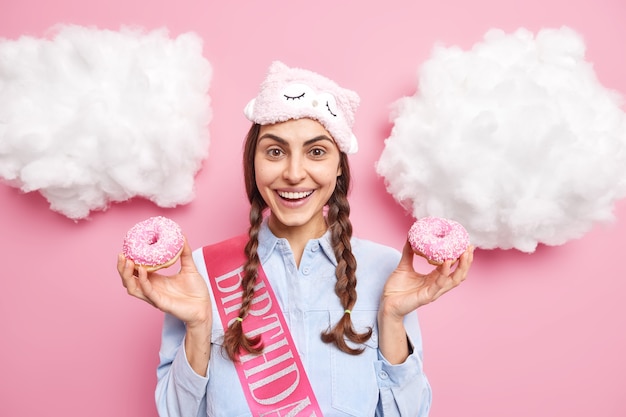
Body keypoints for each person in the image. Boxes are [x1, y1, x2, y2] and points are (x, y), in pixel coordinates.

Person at [117, 61, 474, 417]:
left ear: (339, 165)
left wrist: (392, 319)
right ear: (253, 162)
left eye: (316, 152)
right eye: (275, 151)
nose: (293, 173)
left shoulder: (386, 271)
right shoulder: (200, 272)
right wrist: (198, 327)